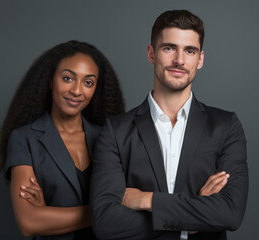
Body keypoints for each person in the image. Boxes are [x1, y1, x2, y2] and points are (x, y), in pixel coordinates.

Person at [90, 10, 248, 240]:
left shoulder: (226, 126)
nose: (179, 60)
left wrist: (146, 200)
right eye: (169, 48)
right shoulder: (116, 131)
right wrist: (195, 217)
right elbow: (106, 222)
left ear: (200, 59)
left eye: (190, 51)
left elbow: (230, 213)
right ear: (151, 53)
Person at [0, 40, 125, 240]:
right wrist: (107, 211)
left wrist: (50, 214)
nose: (77, 90)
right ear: (50, 81)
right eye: (67, 78)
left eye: (88, 82)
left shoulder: (109, 137)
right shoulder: (24, 139)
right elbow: (29, 222)